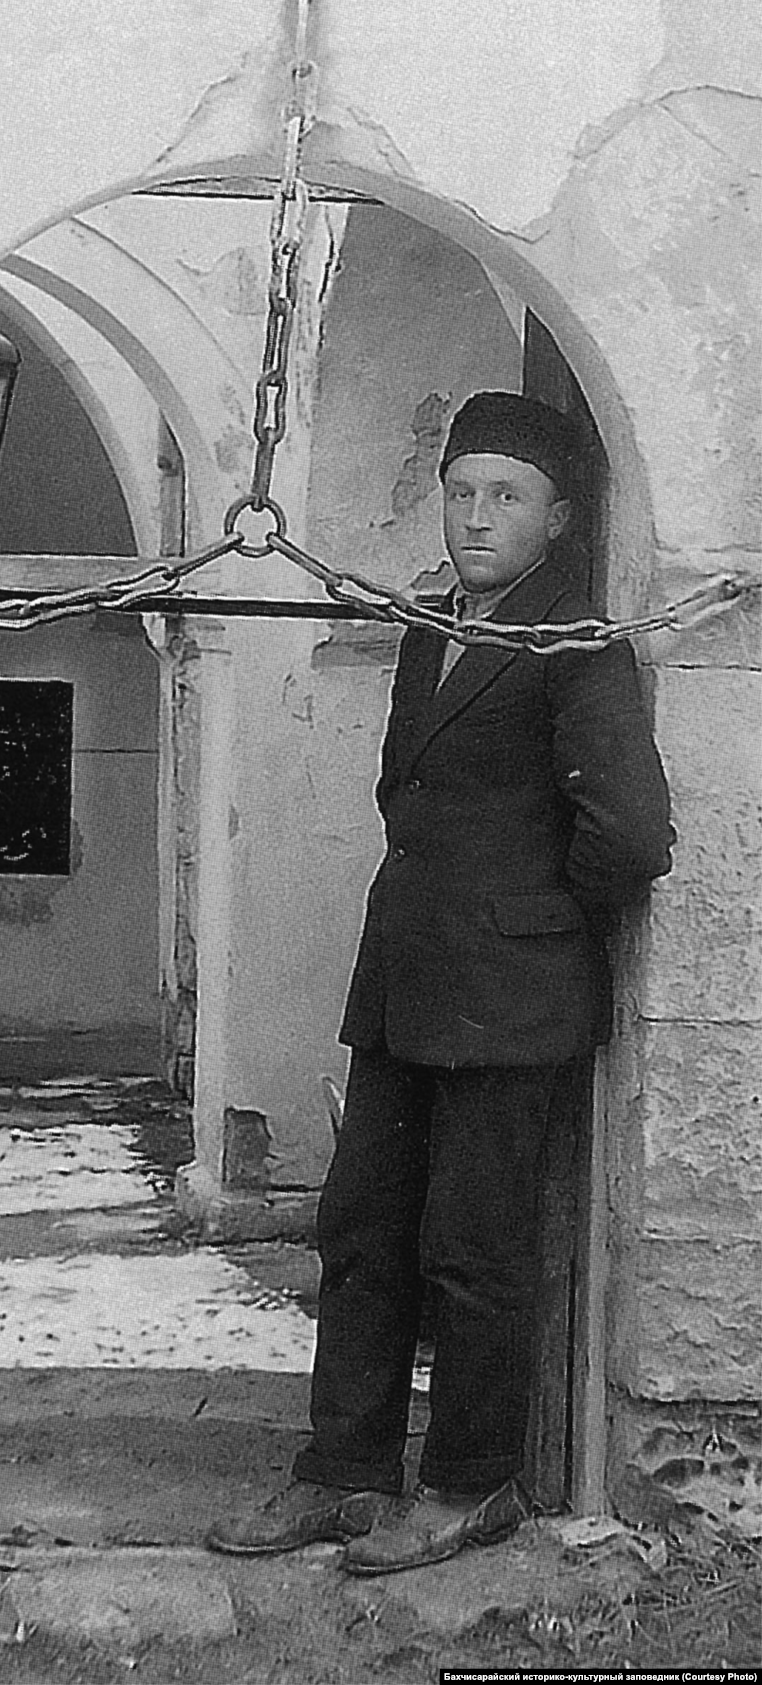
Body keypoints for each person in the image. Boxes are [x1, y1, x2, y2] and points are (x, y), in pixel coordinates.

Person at [207, 390, 675, 1573]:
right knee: (360, 1232)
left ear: (558, 517)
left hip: (507, 1003)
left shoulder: (575, 643)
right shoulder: (429, 628)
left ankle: (472, 1483)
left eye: (505, 496)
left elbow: (627, 834)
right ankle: (344, 1471)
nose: (475, 516)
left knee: (474, 1253)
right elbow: (401, 802)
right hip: (406, 986)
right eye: (461, 491)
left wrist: (525, 927)